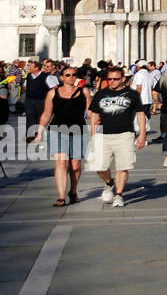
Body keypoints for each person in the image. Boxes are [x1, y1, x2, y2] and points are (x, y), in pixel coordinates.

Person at [86, 66, 147, 208]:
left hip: (125, 134)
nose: (112, 81)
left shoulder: (132, 95)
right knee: (100, 166)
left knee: (123, 166)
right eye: (109, 79)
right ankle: (109, 183)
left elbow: (140, 114)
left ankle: (119, 195)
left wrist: (142, 134)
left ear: (123, 79)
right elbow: (94, 115)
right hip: (103, 135)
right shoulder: (101, 94)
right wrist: (93, 135)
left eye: (115, 79)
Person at [32, 64, 88, 205]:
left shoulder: (84, 92)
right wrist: (39, 132)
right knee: (61, 163)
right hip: (57, 130)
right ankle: (61, 196)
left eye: (74, 75)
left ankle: (73, 191)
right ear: (61, 77)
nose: (71, 77)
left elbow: (91, 113)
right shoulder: (53, 93)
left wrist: (96, 130)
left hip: (78, 130)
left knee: (75, 165)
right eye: (67, 75)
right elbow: (46, 114)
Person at [25, 59, 58, 142]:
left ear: (36, 68)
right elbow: (25, 86)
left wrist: (49, 97)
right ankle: (29, 135)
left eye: (30, 66)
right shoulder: (29, 76)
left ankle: (39, 134)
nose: (28, 68)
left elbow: (55, 87)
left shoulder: (45, 77)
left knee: (40, 117)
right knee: (30, 117)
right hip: (29, 100)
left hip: (41, 100)